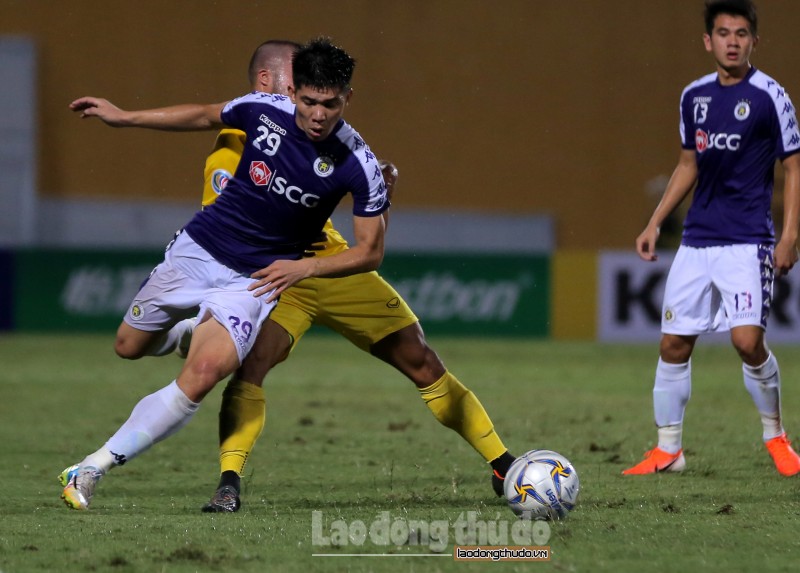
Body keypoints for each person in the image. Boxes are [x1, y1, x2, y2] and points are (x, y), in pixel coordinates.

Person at [59, 37, 391, 510]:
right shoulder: (263, 109)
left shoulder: (358, 162)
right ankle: (187, 332)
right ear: (294, 91)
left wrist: (305, 267)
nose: (319, 114)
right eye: (310, 101)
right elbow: (203, 114)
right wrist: (125, 116)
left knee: (207, 373)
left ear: (348, 99)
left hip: (254, 280)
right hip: (198, 252)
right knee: (128, 346)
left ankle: (92, 466)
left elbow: (371, 252)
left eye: (331, 104)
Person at [192, 40, 515, 512]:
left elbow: (370, 241)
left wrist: (381, 197)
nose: (314, 105)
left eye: (326, 97)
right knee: (252, 367)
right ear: (268, 83)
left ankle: (502, 463)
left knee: (422, 360)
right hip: (281, 278)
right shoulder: (237, 142)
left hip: (334, 266)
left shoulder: (333, 145)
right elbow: (218, 229)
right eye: (299, 89)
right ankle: (229, 482)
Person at [623, 0, 800, 476]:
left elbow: (794, 167)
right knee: (673, 345)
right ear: (708, 41)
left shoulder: (770, 96)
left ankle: (777, 437)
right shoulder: (693, 97)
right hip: (697, 241)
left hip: (747, 242)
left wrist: (790, 235)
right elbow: (688, 165)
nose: (732, 42)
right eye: (723, 33)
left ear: (754, 41)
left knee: (747, 342)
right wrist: (655, 220)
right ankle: (668, 450)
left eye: (741, 33)